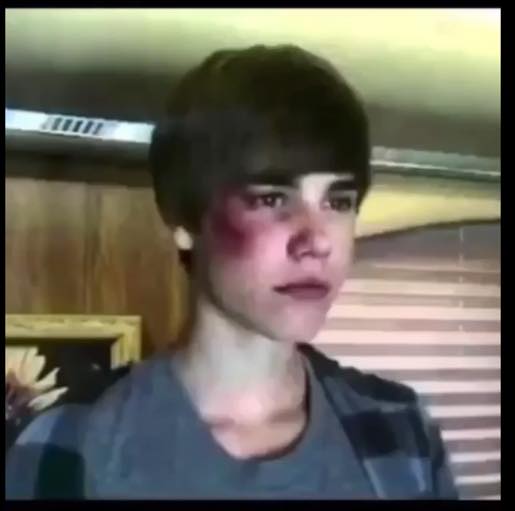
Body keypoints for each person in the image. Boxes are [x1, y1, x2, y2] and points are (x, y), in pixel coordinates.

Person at [5, 44, 458, 500]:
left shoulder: (401, 430)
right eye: (271, 199)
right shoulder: (69, 442)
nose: (318, 241)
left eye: (338, 202)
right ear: (185, 222)